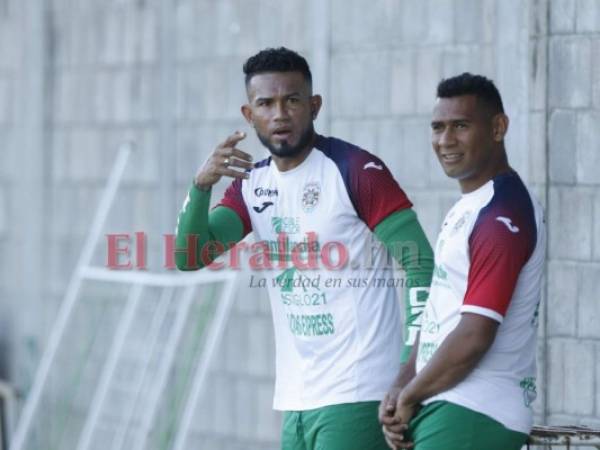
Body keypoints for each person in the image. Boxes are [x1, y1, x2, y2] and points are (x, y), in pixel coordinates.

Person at [175, 47, 433, 450]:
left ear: (313, 106)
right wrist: (200, 187)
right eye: (266, 103)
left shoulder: (355, 170)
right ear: (249, 115)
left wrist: (409, 367)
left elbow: (421, 265)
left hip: (358, 393)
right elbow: (191, 257)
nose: (280, 113)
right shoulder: (251, 184)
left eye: (292, 100)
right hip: (295, 401)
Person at [379, 73, 546, 450]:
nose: (445, 140)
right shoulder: (470, 204)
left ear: (498, 127)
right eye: (438, 127)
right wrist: (403, 382)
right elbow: (442, 308)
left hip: (475, 411)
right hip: (446, 403)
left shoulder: (503, 213)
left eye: (461, 126)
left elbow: (475, 334)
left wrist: (409, 397)